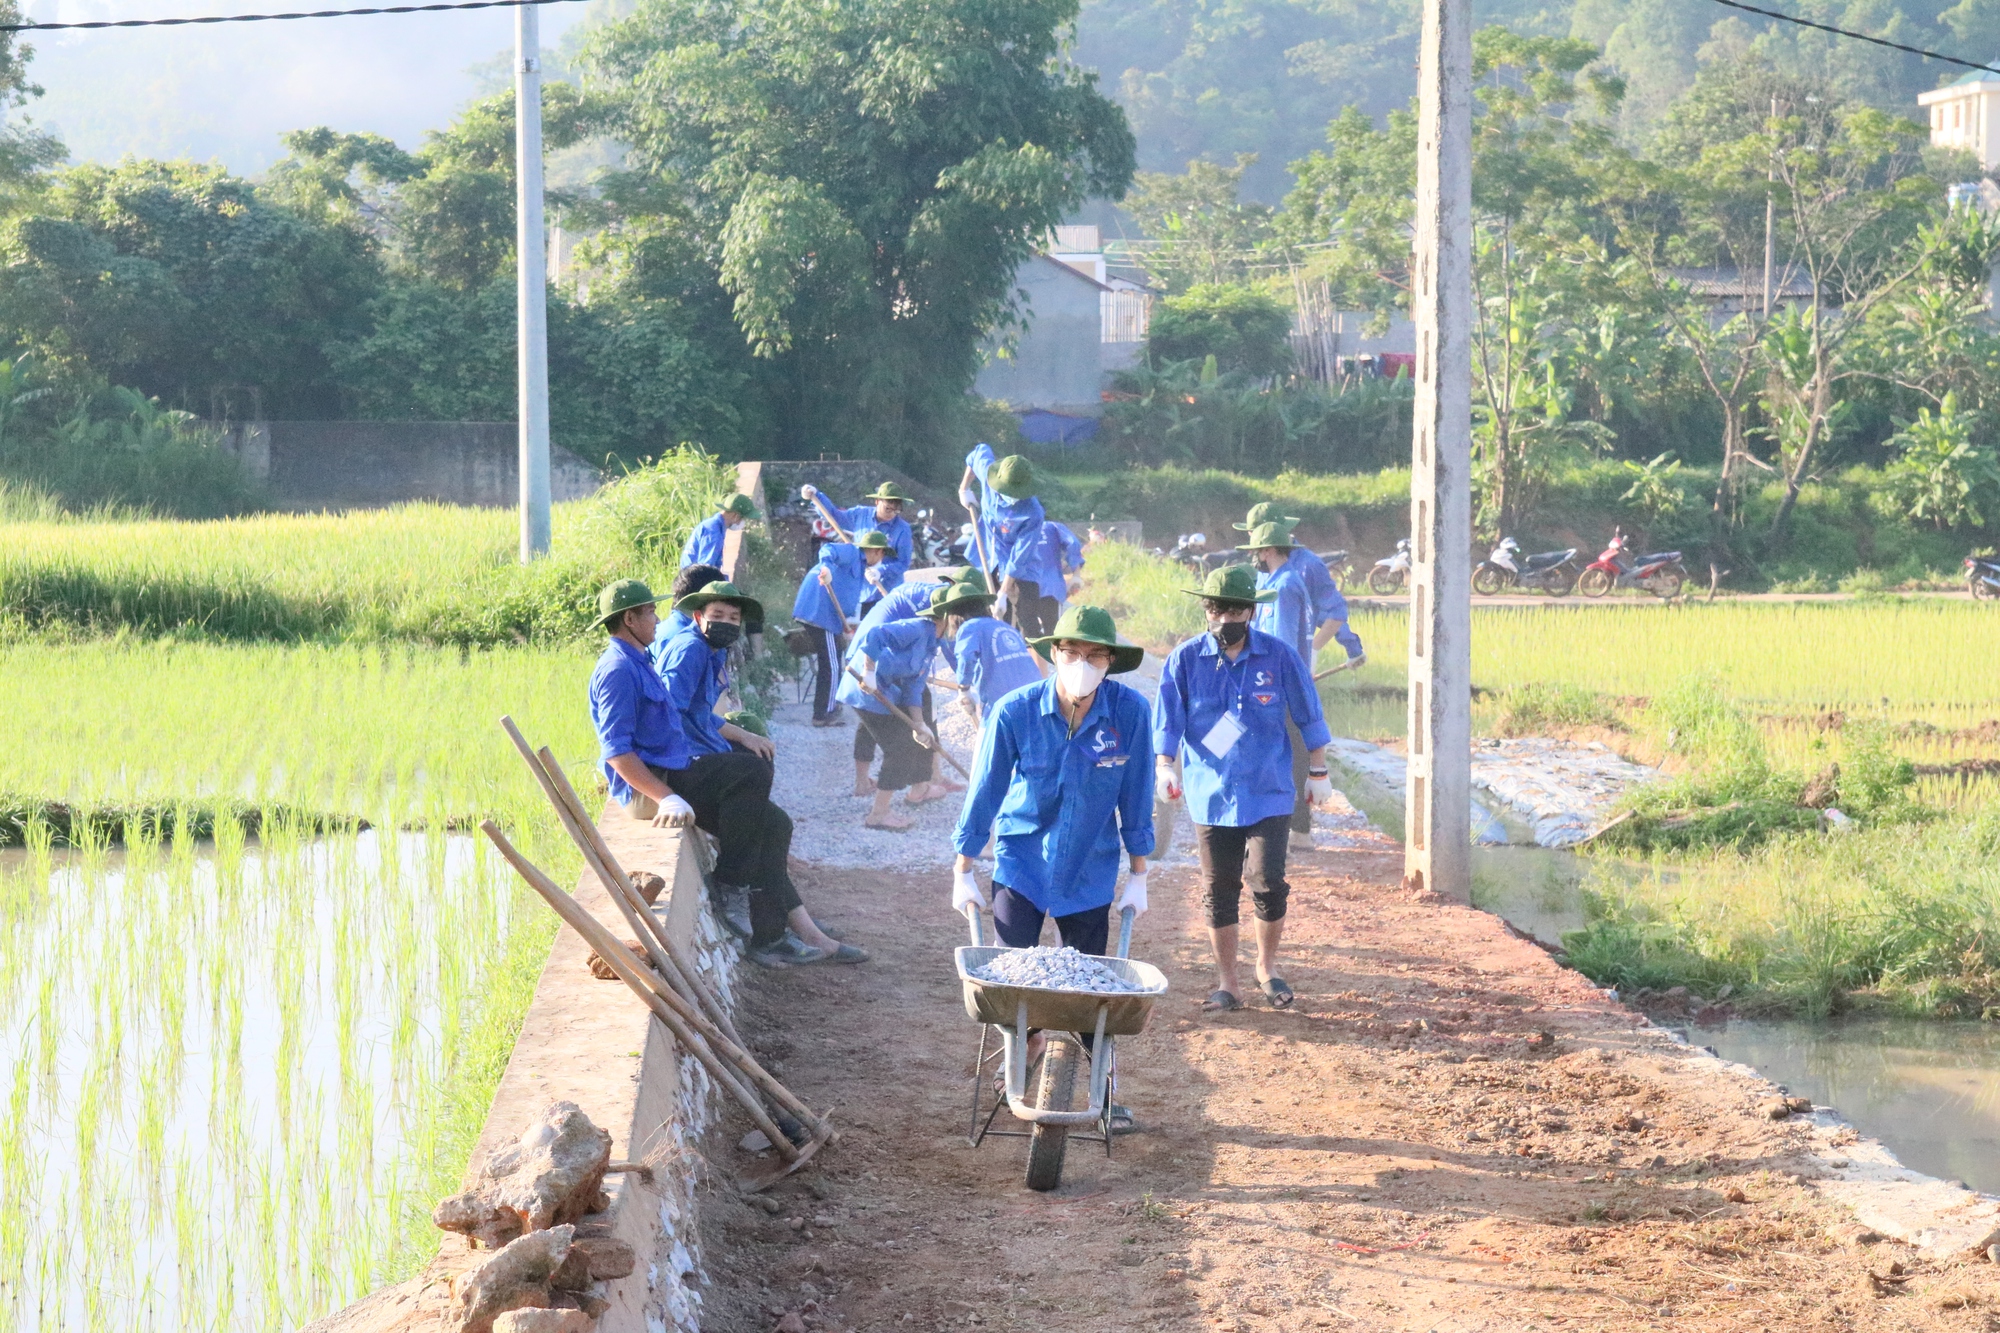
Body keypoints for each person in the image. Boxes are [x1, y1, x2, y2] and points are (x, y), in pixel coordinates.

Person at [644, 578, 866, 967]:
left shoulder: (712, 650)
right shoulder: (690, 650)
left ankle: (772, 935)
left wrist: (740, 735)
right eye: (717, 615)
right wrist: (670, 780)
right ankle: (730, 881)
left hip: (696, 759)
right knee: (751, 771)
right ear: (698, 617)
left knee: (775, 825)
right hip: (678, 769)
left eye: (733, 617)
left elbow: (698, 714)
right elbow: (668, 713)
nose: (726, 622)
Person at [1154, 565, 1334, 1013]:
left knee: (1268, 879)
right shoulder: (1185, 659)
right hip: (1209, 792)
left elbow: (1308, 712)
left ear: (1251, 612)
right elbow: (1169, 718)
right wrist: (1165, 767)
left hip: (1268, 788)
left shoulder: (1279, 656)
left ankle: (1267, 967)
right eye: (1217, 608)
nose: (1225, 618)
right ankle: (1228, 982)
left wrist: (1318, 770)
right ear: (1205, 609)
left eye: (1234, 609)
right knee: (1219, 889)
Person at [842, 569, 973, 794]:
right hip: (874, 651)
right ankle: (924, 783)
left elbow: (946, 648)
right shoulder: (935, 606)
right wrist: (869, 671)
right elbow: (945, 643)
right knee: (894, 719)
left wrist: (966, 685)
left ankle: (868, 782)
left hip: (889, 655)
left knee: (889, 713)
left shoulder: (936, 615)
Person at [836, 583, 955, 829]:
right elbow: (876, 635)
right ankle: (878, 815)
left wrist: (920, 724)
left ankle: (902, 797)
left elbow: (914, 687)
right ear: (945, 616)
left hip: (887, 691)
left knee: (910, 741)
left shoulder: (932, 643)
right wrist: (868, 672)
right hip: (865, 688)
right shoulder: (917, 628)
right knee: (900, 747)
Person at [1242, 520, 1325, 852]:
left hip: (1280, 687)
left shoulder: (1285, 586)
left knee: (1287, 756)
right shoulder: (1278, 581)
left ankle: (1295, 830)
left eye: (1257, 550)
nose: (1256, 557)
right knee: (1291, 754)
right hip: (1282, 683)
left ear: (1267, 550)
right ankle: (1292, 829)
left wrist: (1267, 688)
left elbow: (1283, 644)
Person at [1233, 503, 1366, 666]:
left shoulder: (1308, 566)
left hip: (1286, 661)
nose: (1252, 542)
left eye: (1254, 534)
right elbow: (1260, 612)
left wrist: (1314, 649)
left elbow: (1336, 613)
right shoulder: (1265, 566)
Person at [786, 533, 884, 726]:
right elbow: (828, 550)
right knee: (831, 664)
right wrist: (826, 570)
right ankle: (824, 713)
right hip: (819, 611)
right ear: (877, 551)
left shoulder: (859, 565)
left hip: (826, 615)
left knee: (833, 658)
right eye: (882, 555)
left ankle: (826, 708)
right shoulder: (852, 552)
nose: (881, 560)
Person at [960, 444, 1056, 637]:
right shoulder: (989, 475)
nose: (1012, 497)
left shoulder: (1033, 513)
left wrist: (1004, 593)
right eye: (1008, 491)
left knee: (1028, 623)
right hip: (989, 556)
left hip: (1023, 568)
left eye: (1017, 493)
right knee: (995, 621)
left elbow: (1020, 557)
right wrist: (964, 488)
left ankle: (1036, 665)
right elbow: (978, 452)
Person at [939, 577, 1041, 727]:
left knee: (995, 745)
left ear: (954, 614)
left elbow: (966, 656)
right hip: (1036, 695)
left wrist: (964, 688)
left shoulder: (969, 628)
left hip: (1005, 703)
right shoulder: (1005, 627)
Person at [800, 481, 915, 593]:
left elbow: (903, 563)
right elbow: (834, 516)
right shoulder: (860, 514)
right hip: (860, 589)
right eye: (888, 509)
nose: (892, 514)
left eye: (896, 510)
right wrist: (817, 496)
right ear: (877, 501)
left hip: (887, 590)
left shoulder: (903, 529)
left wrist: (880, 571)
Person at [682, 494, 758, 569]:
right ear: (735, 516)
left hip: (692, 575)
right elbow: (706, 568)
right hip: (693, 577)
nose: (740, 523)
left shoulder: (714, 526)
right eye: (742, 519)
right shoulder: (714, 532)